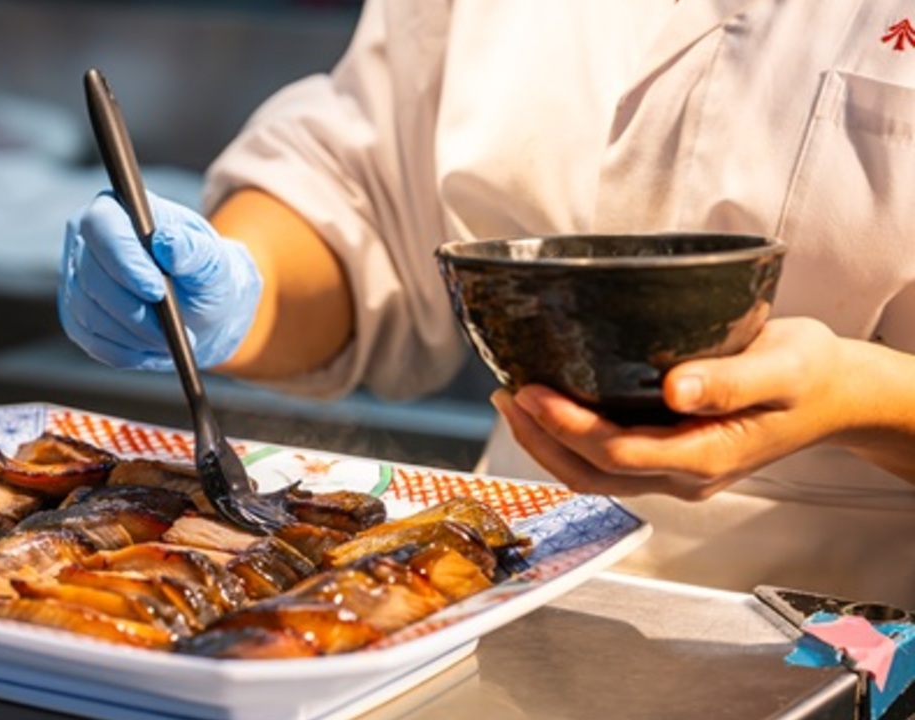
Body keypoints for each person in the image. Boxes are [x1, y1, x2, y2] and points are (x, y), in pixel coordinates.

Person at [60, 0, 915, 608]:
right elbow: (367, 195)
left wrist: (862, 402)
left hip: (852, 624)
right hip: (489, 581)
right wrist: (240, 285)